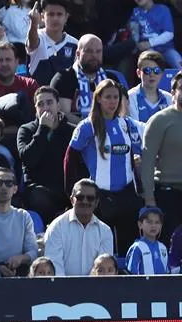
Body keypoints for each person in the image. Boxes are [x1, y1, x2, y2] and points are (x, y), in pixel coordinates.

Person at [65, 79, 143, 252]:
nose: (113, 101)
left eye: (116, 97)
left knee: (128, 247)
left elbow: (147, 143)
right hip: (100, 197)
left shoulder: (127, 124)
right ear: (98, 98)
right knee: (102, 250)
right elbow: (69, 160)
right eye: (108, 97)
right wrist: (70, 190)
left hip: (127, 195)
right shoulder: (87, 126)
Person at [18, 85, 74, 226]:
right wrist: (43, 129)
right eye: (40, 104)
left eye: (50, 102)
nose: (46, 107)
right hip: (39, 187)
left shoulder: (72, 131)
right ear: (35, 108)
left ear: (58, 105)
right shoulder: (26, 130)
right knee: (39, 197)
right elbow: (28, 158)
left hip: (66, 188)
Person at [141, 71, 182, 243]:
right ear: (173, 92)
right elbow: (147, 161)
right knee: (168, 246)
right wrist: (149, 199)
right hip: (168, 194)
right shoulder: (160, 120)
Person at [43, 178, 114, 276]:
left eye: (90, 198)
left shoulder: (105, 232)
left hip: (95, 289)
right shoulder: (56, 228)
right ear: (72, 200)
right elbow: (55, 269)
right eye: (80, 197)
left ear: (96, 202)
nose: (85, 201)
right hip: (62, 289)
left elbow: (103, 269)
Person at [50, 34, 120, 125]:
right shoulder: (63, 78)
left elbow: (123, 109)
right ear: (78, 53)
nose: (94, 55)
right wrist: (92, 127)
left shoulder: (111, 79)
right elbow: (63, 114)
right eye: (89, 51)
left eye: (98, 51)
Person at [0, 40, 39, 132]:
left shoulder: (30, 85)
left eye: (8, 59)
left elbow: (38, 118)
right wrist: (19, 129)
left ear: (17, 62)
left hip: (30, 137)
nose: (4, 64)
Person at [26, 0, 77, 87]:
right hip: (38, 96)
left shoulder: (75, 44)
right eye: (51, 14)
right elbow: (32, 43)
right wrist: (34, 23)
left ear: (66, 17)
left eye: (59, 14)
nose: (55, 18)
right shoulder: (38, 36)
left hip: (65, 97)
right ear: (42, 17)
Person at [129, 0, 182, 69]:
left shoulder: (163, 9)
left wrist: (150, 43)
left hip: (166, 48)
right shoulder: (134, 12)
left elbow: (169, 34)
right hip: (146, 49)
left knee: (178, 62)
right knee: (151, 65)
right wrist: (137, 45)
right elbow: (134, 33)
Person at [127, 50, 172, 124]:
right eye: (147, 70)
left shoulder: (169, 98)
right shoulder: (131, 97)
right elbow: (135, 128)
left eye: (156, 71)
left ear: (162, 74)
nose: (152, 75)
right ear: (138, 73)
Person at [125, 206, 169, 274]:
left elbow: (167, 272)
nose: (153, 226)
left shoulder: (163, 247)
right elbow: (131, 275)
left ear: (161, 226)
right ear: (140, 224)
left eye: (157, 222)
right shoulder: (137, 247)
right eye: (149, 222)